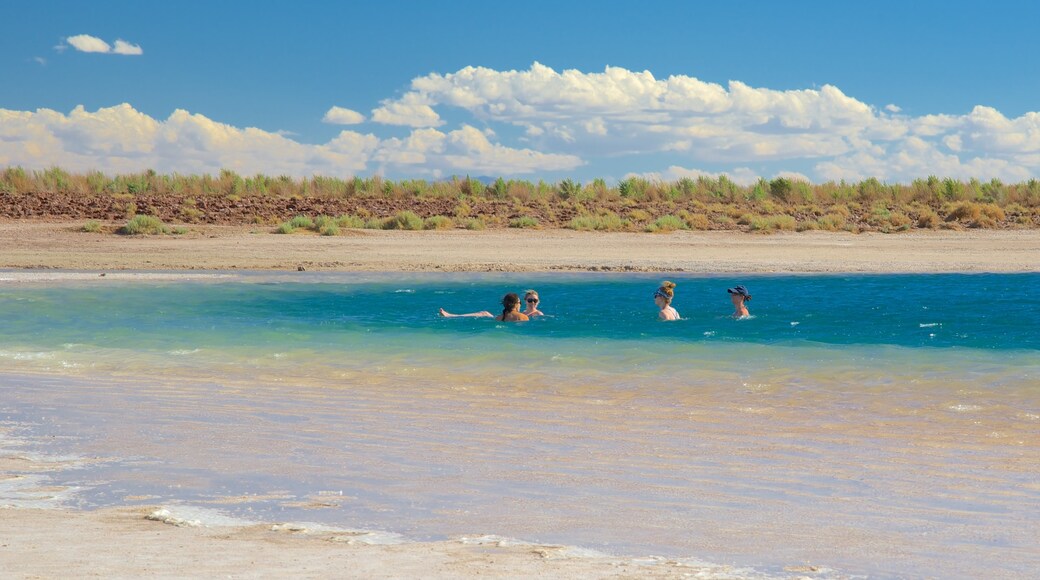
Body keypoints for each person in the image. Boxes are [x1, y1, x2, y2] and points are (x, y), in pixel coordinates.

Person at [439, 292, 530, 322]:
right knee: (484, 313)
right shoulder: (523, 317)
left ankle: (451, 315)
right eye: (520, 302)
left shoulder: (499, 318)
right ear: (516, 304)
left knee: (484, 313)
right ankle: (450, 315)